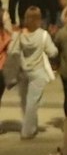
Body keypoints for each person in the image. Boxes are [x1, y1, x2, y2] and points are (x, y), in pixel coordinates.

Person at [7, 7, 55, 139]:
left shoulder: (20, 35)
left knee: (24, 101)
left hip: (23, 72)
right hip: (38, 72)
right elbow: (52, 52)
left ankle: (31, 126)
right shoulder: (43, 35)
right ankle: (27, 131)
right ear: (39, 19)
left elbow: (13, 51)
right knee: (32, 102)